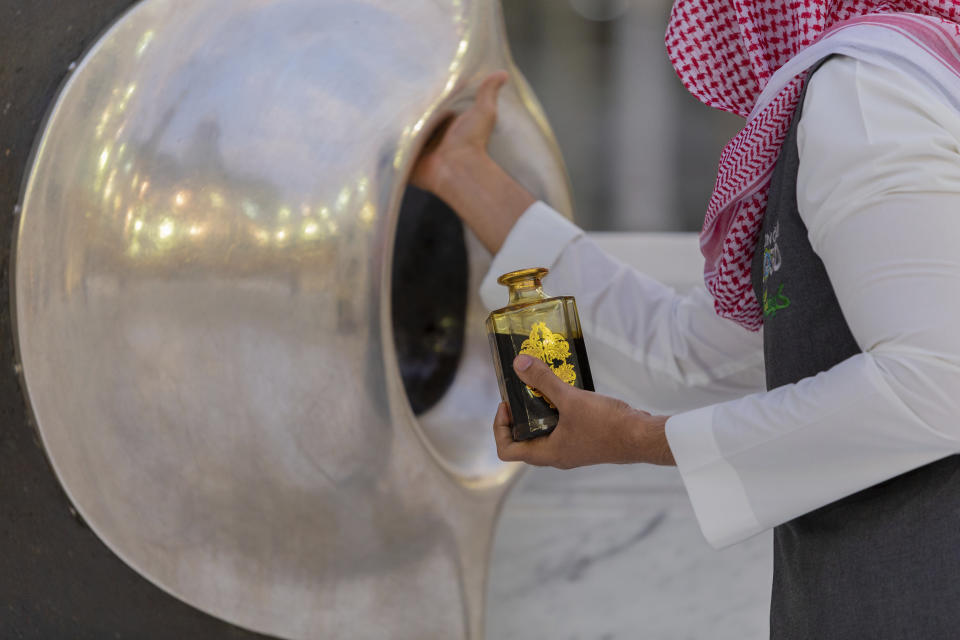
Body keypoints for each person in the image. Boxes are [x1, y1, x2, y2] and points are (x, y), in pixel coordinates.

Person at [414, 1, 960, 637]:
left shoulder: (869, 89)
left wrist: (635, 438)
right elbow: (690, 354)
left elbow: (939, 383)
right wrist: (463, 173)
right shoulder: (906, 77)